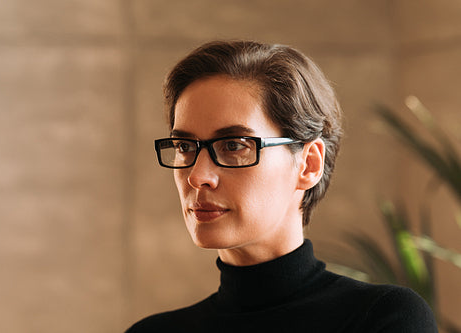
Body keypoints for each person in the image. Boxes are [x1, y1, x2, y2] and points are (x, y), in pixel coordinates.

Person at [126, 40, 438, 332]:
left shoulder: (384, 318)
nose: (197, 176)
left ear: (309, 164)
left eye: (234, 145)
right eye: (184, 146)